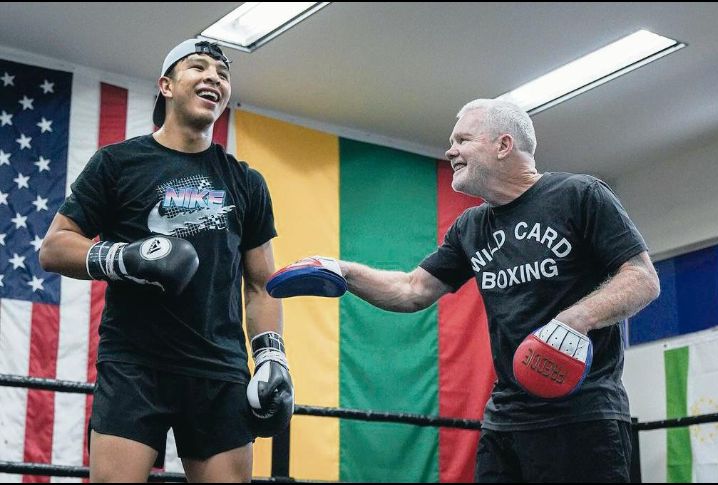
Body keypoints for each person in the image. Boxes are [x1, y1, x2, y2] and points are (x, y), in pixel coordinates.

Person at [332, 98, 660, 482]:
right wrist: (341, 272)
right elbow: (412, 290)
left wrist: (575, 319)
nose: (450, 150)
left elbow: (642, 278)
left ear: (504, 145)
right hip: (506, 421)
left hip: (583, 417)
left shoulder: (580, 194)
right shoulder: (470, 227)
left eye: (463, 140)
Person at [39, 39, 293, 483]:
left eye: (222, 73)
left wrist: (273, 358)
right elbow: (55, 246)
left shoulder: (245, 181)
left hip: (218, 368)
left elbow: (261, 284)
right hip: (135, 363)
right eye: (198, 67)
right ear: (167, 85)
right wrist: (126, 257)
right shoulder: (117, 164)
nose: (214, 76)